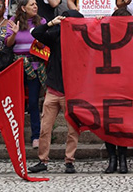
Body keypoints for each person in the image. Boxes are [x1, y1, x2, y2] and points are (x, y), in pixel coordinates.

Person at [28, 12, 81, 175]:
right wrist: (51, 23)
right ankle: (42, 160)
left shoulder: (81, 39)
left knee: (73, 129)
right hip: (53, 89)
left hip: (70, 92)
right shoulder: (55, 35)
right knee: (45, 128)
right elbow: (36, 33)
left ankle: (69, 161)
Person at [6, 0, 46, 148]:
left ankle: (36, 136)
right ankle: (16, 136)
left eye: (36, 3)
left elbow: (45, 45)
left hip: (35, 67)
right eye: (32, 4)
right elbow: (8, 43)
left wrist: (41, 37)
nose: (35, 6)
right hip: (17, 66)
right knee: (17, 102)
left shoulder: (41, 22)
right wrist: (14, 33)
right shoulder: (13, 20)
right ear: (23, 8)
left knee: (34, 102)